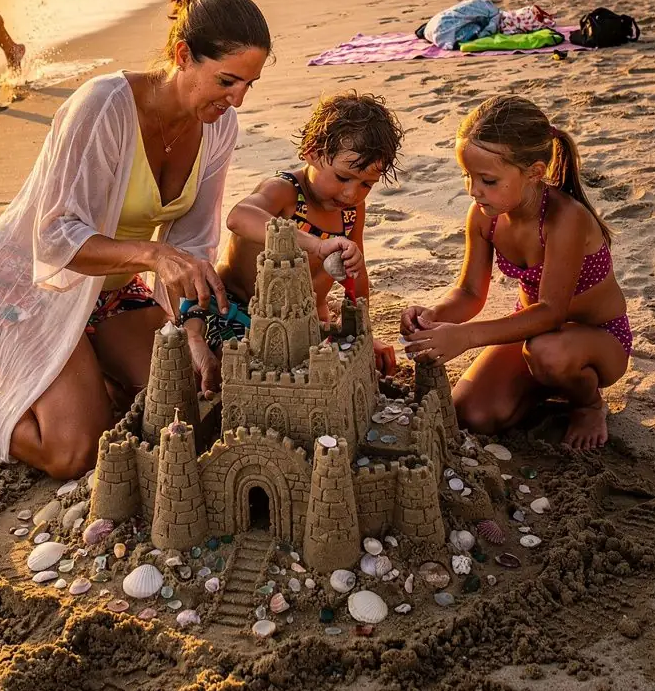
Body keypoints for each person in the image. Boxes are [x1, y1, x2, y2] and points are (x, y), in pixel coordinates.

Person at [0, 0, 271, 474]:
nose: (237, 100)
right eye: (227, 81)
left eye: (249, 84)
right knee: (73, 452)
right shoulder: (103, 106)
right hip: (31, 285)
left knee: (178, 402)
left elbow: (195, 244)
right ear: (184, 55)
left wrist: (191, 334)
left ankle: (85, 374)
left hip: (112, 291)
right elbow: (53, 238)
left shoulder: (217, 127)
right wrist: (152, 253)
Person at [402, 96, 630, 451]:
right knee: (472, 414)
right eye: (468, 176)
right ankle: (543, 386)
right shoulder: (483, 216)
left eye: (488, 180)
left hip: (598, 340)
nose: (474, 190)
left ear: (534, 173)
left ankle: (587, 402)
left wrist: (464, 337)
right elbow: (468, 293)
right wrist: (434, 315)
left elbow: (551, 312)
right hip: (532, 336)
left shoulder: (564, 219)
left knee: (548, 354)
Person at [180, 92, 403, 392]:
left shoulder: (351, 211)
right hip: (239, 310)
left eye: (366, 184)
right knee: (235, 368)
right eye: (342, 177)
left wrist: (362, 333)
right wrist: (315, 245)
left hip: (305, 321)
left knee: (335, 376)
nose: (352, 194)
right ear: (311, 152)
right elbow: (239, 216)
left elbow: (355, 273)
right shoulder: (286, 192)